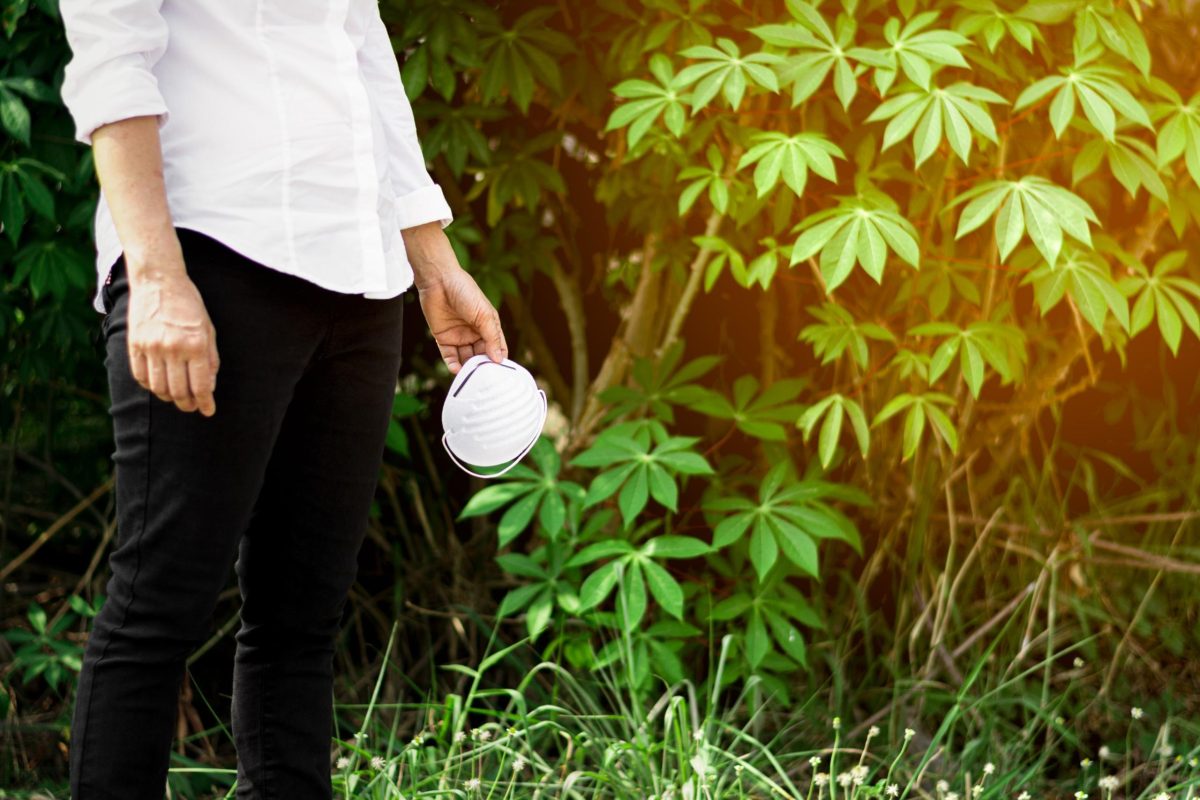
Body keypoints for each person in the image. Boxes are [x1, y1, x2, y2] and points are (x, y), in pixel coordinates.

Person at [57, 1, 506, 797]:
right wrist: (157, 275)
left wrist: (431, 261)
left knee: (301, 620)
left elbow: (358, 40)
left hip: (360, 269)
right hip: (212, 253)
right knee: (158, 607)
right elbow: (110, 54)